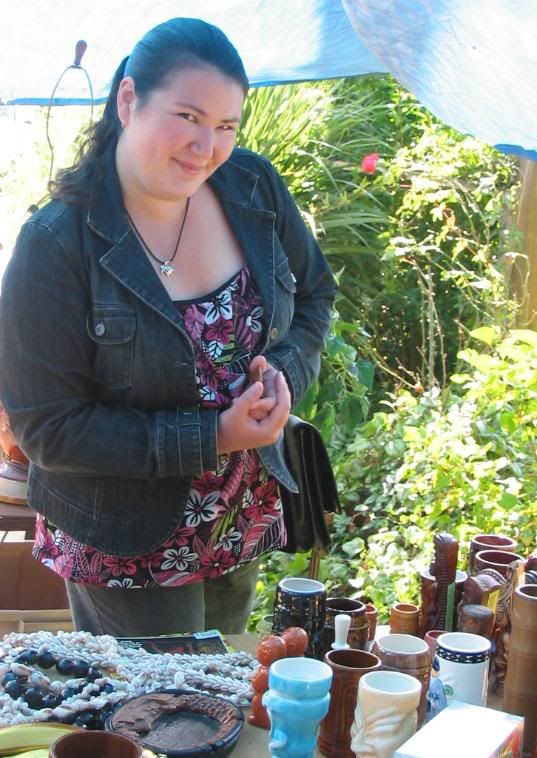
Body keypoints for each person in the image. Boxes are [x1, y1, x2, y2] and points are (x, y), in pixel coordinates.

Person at [0, 18, 336, 637]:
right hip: (124, 543)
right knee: (163, 699)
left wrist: (282, 377)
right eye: (187, 116)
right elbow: (47, 430)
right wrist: (214, 435)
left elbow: (316, 295)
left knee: (224, 690)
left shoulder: (253, 188)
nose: (206, 147)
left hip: (239, 516)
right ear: (129, 99)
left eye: (226, 126)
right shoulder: (55, 243)